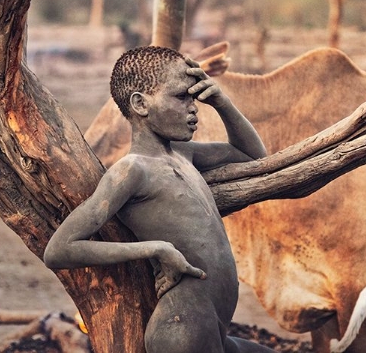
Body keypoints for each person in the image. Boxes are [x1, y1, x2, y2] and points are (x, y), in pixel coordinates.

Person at [44, 46, 273, 353]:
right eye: (181, 97)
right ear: (140, 104)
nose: (194, 108)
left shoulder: (184, 155)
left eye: (194, 97)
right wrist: (155, 249)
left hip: (214, 327)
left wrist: (222, 102)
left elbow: (254, 157)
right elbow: (59, 250)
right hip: (182, 329)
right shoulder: (130, 171)